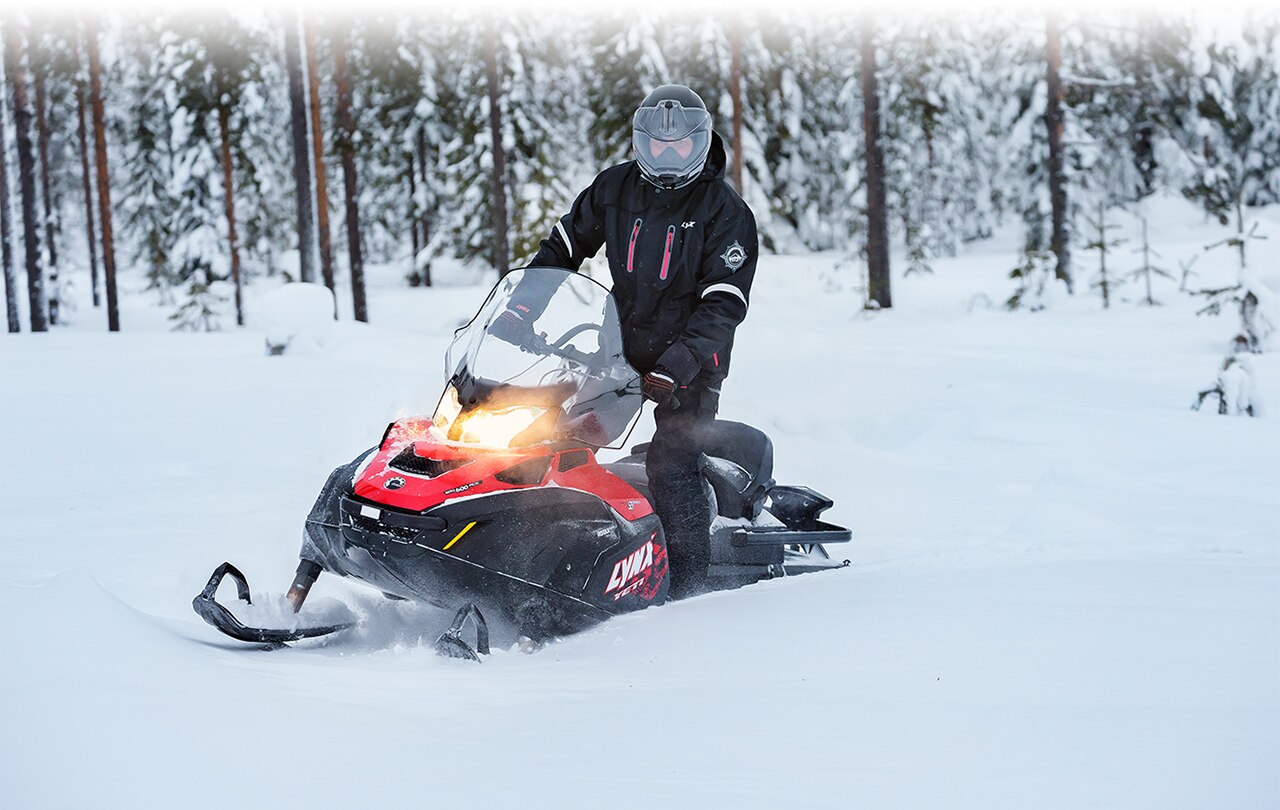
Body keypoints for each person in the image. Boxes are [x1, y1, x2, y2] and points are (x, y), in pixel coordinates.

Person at [493, 84, 758, 599]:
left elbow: (724, 302)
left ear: (700, 145)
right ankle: (524, 551)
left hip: (690, 363)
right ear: (641, 143)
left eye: (679, 146)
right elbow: (563, 247)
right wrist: (520, 310)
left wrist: (680, 362)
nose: (666, 156)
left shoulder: (724, 211)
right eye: (657, 146)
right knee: (558, 437)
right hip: (622, 344)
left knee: (672, 459)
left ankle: (684, 584)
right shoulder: (616, 188)